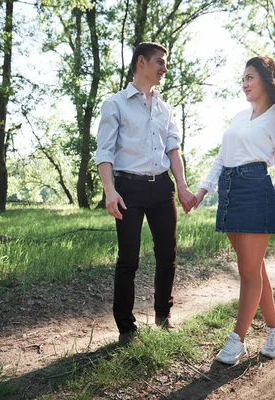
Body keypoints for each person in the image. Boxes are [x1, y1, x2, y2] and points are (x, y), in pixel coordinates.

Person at [193, 56, 275, 364]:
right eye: (242, 77)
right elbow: (221, 157)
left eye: (250, 77)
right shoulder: (241, 117)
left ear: (267, 80)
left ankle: (237, 339)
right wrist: (203, 190)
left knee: (248, 271)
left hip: (256, 191)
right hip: (230, 191)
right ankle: (274, 330)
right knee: (254, 268)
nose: (244, 83)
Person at [96, 42, 196, 346]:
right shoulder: (115, 104)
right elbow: (104, 151)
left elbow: (173, 150)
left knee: (168, 255)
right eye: (160, 62)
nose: (164, 68)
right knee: (128, 260)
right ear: (142, 62)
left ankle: (163, 317)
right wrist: (110, 190)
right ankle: (126, 328)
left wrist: (181, 185)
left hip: (162, 187)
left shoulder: (165, 108)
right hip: (129, 189)